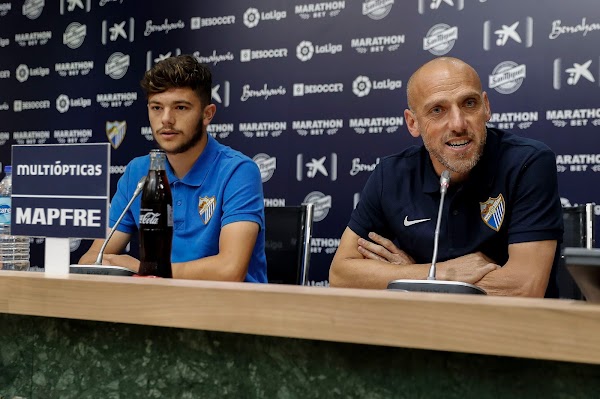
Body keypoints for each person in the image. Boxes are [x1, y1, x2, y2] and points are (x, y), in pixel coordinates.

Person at [329, 57, 562, 297]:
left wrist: (410, 279)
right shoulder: (391, 175)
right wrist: (438, 273)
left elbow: (524, 287)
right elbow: (341, 274)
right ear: (413, 123)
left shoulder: (527, 162)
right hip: (422, 328)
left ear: (486, 107)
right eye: (437, 110)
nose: (458, 124)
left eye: (469, 103)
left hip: (507, 329)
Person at [79, 55, 267, 282]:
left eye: (180, 107)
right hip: (156, 309)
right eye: (156, 107)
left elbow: (229, 269)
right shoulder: (138, 171)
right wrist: (106, 263)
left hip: (226, 311)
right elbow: (92, 258)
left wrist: (147, 269)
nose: (166, 119)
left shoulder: (238, 171)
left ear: (207, 114)